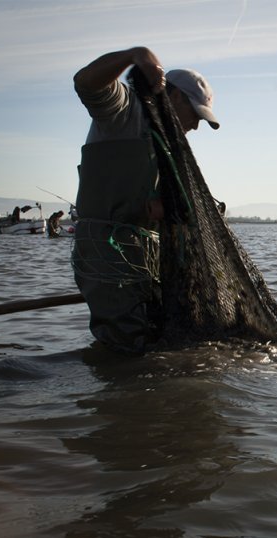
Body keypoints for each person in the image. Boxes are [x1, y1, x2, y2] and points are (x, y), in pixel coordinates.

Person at [70, 46, 219, 353]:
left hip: (151, 256)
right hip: (109, 253)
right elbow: (86, 83)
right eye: (195, 114)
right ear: (173, 97)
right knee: (127, 348)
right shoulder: (124, 112)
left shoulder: (171, 145)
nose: (195, 126)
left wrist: (169, 210)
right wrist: (134, 55)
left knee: (158, 343)